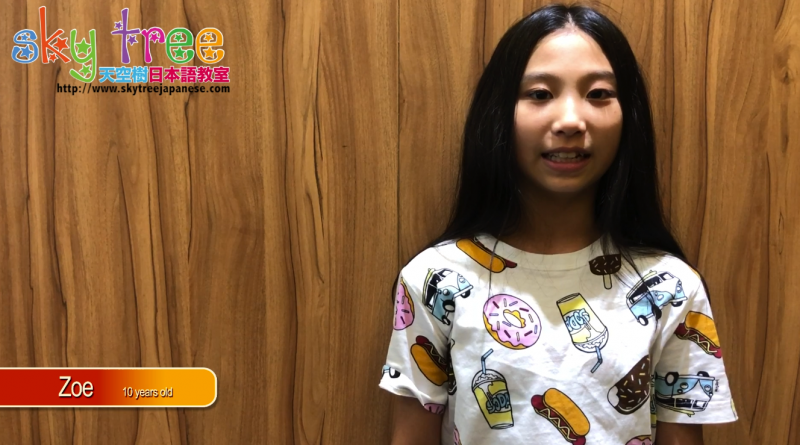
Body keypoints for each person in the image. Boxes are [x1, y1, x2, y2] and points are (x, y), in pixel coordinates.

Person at [379, 3, 738, 445]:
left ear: (628, 116)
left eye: (599, 93)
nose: (570, 120)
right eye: (540, 94)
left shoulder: (672, 287)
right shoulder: (436, 279)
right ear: (498, 112)